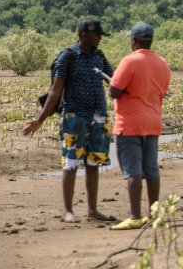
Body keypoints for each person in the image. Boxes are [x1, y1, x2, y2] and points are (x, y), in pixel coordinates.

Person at [23, 18, 114, 223]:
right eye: (96, 34)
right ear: (83, 35)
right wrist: (40, 119)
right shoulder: (68, 57)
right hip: (74, 116)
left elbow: (115, 80)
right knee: (71, 163)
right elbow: (56, 91)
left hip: (98, 117)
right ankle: (68, 211)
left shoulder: (99, 56)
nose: (99, 38)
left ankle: (92, 210)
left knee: (92, 163)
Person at [108, 22, 172, 230]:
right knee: (151, 168)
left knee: (133, 170)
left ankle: (135, 217)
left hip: (130, 123)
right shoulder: (162, 63)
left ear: (134, 40)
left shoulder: (129, 61)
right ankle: (154, 216)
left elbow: (114, 91)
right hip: (153, 121)